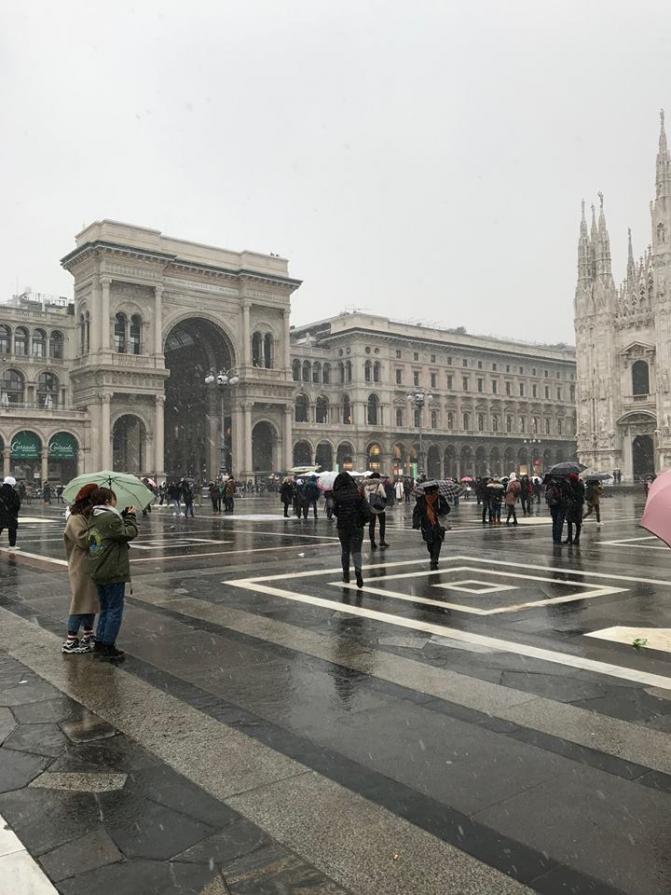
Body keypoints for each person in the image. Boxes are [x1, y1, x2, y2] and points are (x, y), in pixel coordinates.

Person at [87, 487, 138, 662]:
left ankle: (100, 642)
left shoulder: (94, 516)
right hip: (112, 569)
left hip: (99, 568)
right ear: (108, 500)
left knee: (106, 609)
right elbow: (128, 533)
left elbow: (111, 532)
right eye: (114, 498)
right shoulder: (109, 517)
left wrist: (121, 517)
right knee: (114, 610)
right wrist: (130, 518)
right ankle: (108, 646)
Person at [62, 483, 99, 654]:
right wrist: (98, 528)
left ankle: (88, 634)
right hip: (80, 566)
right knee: (79, 602)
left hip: (89, 565)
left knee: (90, 602)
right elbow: (85, 540)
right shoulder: (75, 518)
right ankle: (70, 640)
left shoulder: (85, 516)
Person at [333, 472, 371, 587]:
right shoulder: (357, 493)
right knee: (356, 551)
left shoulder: (337, 495)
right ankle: (358, 572)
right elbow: (366, 510)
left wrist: (342, 514)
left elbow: (335, 511)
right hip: (357, 526)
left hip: (343, 527)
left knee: (345, 550)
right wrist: (363, 521)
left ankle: (346, 576)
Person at [412, 483, 450, 570]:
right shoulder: (421, 500)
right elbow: (417, 512)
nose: (437, 491)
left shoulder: (440, 499)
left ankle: (435, 558)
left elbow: (447, 509)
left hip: (438, 523)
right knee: (429, 542)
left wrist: (441, 509)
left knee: (438, 540)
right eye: (436, 490)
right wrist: (416, 523)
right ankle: (433, 555)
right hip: (426, 523)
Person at [363, 471, 389, 549]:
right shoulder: (379, 485)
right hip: (379, 507)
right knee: (382, 524)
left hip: (370, 507)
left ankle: (372, 542)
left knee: (372, 525)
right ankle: (382, 540)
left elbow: (365, 496)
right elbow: (384, 495)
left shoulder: (366, 485)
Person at [545, 476, 568, 545]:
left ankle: (555, 539)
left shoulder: (550, 484)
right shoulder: (561, 484)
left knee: (555, 523)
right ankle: (558, 539)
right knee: (559, 524)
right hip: (559, 506)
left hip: (553, 507)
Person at [0, 476, 21, 550]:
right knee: (12, 530)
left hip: (1, 514)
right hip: (11, 514)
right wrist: (13, 511)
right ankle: (12, 545)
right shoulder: (13, 492)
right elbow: (17, 505)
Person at [564, 472, 585, 546]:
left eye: (570, 480)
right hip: (570, 506)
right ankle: (569, 538)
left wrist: (572, 492)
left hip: (578, 506)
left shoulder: (580, 485)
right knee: (569, 522)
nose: (569, 481)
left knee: (577, 523)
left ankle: (576, 538)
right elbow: (567, 494)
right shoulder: (570, 485)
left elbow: (579, 496)